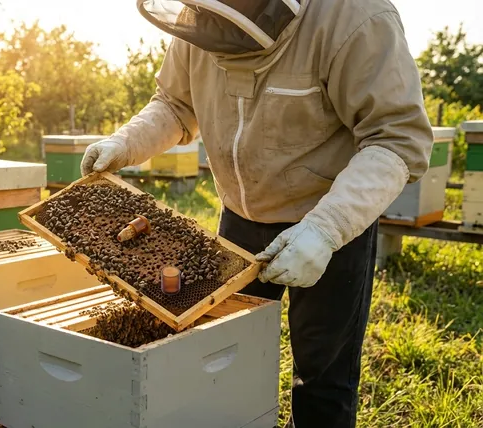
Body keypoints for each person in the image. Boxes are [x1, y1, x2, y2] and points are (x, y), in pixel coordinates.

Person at [80, 0, 433, 426]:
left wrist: (326, 230)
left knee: (323, 372)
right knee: (224, 356)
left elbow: (396, 139)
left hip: (330, 219)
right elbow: (175, 105)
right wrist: (126, 143)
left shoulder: (357, 18)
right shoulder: (200, 16)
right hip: (239, 220)